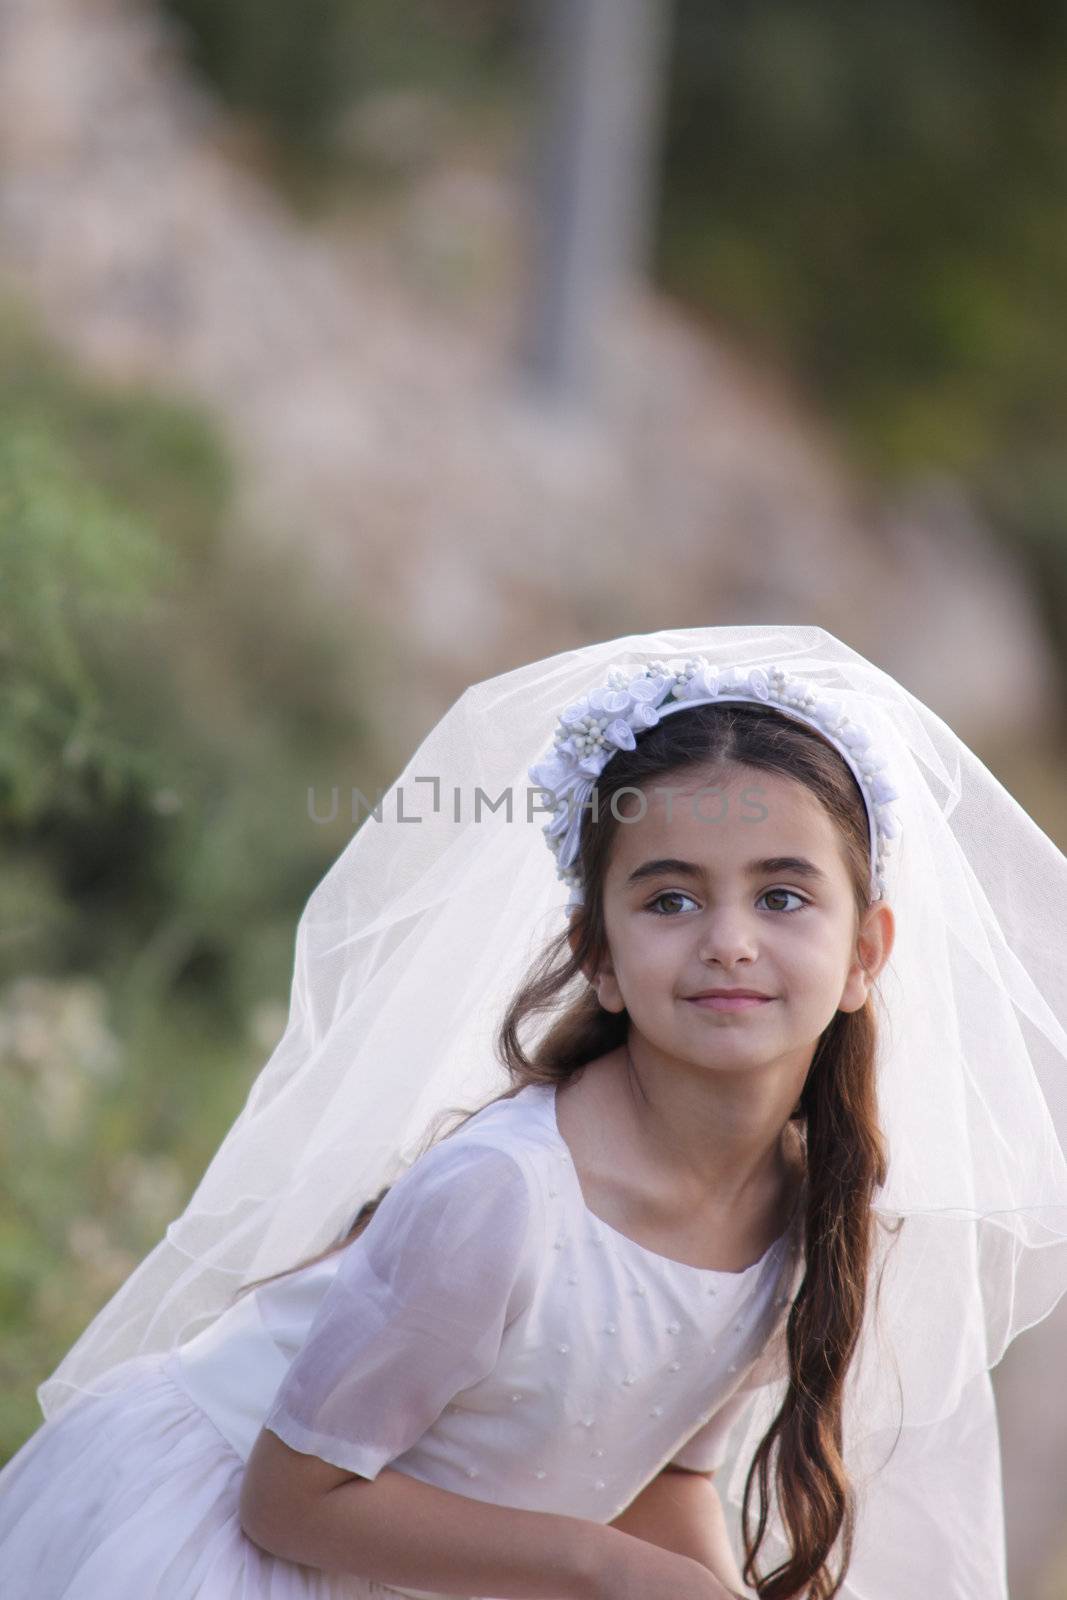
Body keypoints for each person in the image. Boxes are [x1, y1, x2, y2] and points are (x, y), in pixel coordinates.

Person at [1, 623, 1065, 1600]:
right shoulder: (503, 1195)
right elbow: (285, 1500)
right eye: (668, 898)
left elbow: (659, 1469)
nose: (728, 939)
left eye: (781, 895)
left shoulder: (805, 1206)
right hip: (245, 1554)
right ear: (597, 958)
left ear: (863, 953)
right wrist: (593, 1564)